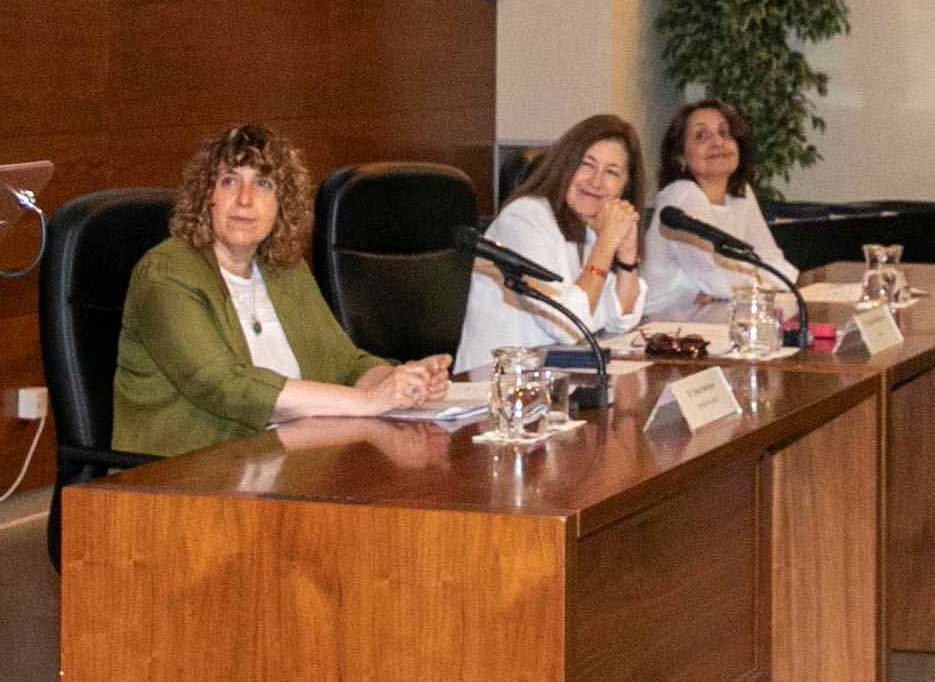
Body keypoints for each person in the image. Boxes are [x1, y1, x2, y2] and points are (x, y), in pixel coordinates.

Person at [112, 123, 448, 456]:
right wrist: (370, 402)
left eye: (263, 184)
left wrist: (399, 381)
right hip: (183, 478)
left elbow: (346, 365)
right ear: (206, 198)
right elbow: (226, 387)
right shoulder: (166, 274)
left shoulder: (284, 269)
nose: (245, 200)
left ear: (281, 203)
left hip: (285, 461)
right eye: (229, 181)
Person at [461, 115, 652, 374]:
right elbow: (568, 326)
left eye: (611, 172)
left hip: (556, 383)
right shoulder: (525, 218)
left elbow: (620, 321)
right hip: (496, 387)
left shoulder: (591, 227)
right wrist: (606, 244)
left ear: (624, 187)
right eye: (586, 165)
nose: (596, 182)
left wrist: (627, 256)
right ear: (564, 166)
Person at [645, 97, 795, 316]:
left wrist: (730, 286)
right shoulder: (682, 194)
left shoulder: (740, 193)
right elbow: (718, 279)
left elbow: (776, 264)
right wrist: (734, 284)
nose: (718, 142)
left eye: (725, 133)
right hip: (662, 326)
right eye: (701, 136)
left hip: (712, 314)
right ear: (680, 157)